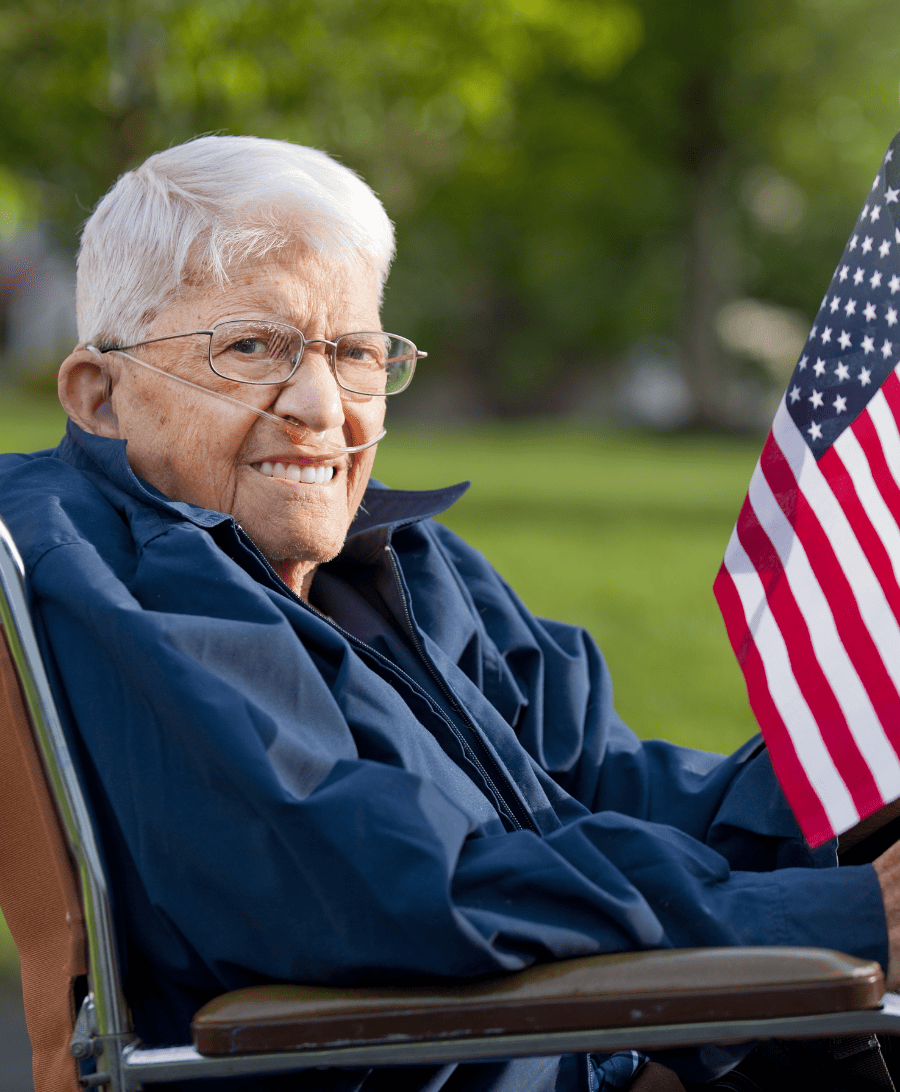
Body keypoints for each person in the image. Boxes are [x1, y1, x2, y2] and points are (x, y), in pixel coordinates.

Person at [0, 134, 897, 1092]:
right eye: (250, 347)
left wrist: (857, 796)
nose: (322, 407)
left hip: (606, 1048)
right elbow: (377, 885)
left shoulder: (390, 559)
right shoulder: (102, 576)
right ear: (100, 395)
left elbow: (610, 786)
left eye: (354, 353)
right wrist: (834, 919)